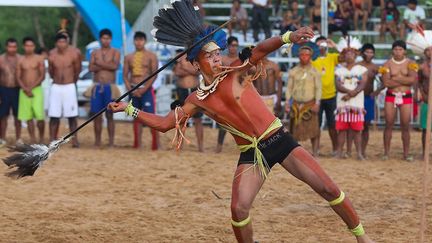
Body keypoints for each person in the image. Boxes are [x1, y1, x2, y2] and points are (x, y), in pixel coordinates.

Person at [111, 3, 373, 241]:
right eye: (209, 56)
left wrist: (287, 38)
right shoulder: (196, 98)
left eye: (217, 54)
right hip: (252, 153)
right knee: (238, 208)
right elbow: (166, 123)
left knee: (328, 188)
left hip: (279, 140)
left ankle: (362, 237)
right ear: (195, 64)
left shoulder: (236, 72)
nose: (216, 58)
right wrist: (129, 108)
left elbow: (259, 49)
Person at [381, 40, 417, 161]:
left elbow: (412, 80)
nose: (398, 52)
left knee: (405, 125)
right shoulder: (386, 64)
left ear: (405, 51)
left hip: (405, 95)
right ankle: (386, 153)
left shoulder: (411, 63)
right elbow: (386, 83)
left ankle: (406, 154)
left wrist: (395, 80)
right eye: (396, 49)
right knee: (388, 124)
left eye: (400, 49)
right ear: (392, 50)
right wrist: (403, 79)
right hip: (391, 95)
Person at [123, 31, 159, 150]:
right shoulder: (128, 57)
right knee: (135, 116)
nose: (139, 42)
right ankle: (137, 143)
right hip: (133, 89)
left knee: (150, 116)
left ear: (145, 41)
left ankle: (155, 144)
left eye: (141, 40)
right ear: (134, 41)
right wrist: (130, 90)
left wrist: (143, 90)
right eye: (136, 40)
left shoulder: (151, 56)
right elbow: (125, 75)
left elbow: (154, 75)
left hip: (146, 90)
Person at [334, 37, 367, 160]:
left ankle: (358, 153)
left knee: (357, 130)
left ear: (356, 55)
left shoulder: (362, 69)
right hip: (342, 105)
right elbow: (337, 85)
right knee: (341, 130)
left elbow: (363, 84)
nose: (349, 55)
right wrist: (349, 92)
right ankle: (339, 153)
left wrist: (351, 94)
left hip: (357, 105)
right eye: (347, 53)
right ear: (343, 55)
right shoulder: (339, 70)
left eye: (352, 53)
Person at [285, 45, 321, 156]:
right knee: (294, 129)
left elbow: (318, 88)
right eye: (302, 55)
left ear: (310, 56)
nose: (304, 57)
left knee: (314, 129)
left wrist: (317, 102)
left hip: (310, 103)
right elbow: (289, 88)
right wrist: (287, 102)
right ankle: (295, 152)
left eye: (307, 55)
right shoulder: (293, 71)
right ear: (298, 56)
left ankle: (315, 152)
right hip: (296, 104)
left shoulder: (315, 71)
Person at [48, 33, 81, 147]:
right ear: (56, 43)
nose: (61, 44)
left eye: (64, 42)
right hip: (56, 86)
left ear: (67, 42)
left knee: (72, 116)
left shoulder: (74, 53)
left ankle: (75, 140)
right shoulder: (52, 54)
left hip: (69, 86)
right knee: (54, 115)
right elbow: (51, 71)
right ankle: (52, 140)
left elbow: (77, 70)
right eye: (59, 42)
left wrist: (71, 82)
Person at [89, 29, 121, 147]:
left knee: (110, 114)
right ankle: (97, 141)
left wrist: (99, 64)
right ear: (100, 39)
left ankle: (111, 142)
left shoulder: (115, 52)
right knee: (96, 115)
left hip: (110, 87)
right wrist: (106, 65)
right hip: (97, 86)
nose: (105, 40)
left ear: (111, 39)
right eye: (103, 38)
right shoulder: (94, 52)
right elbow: (91, 68)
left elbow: (115, 66)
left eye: (107, 38)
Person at [312, 36, 339, 156]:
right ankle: (315, 150)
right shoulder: (312, 59)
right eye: (319, 45)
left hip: (331, 96)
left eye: (324, 45)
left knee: (332, 125)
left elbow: (345, 55)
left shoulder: (332, 57)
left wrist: (335, 45)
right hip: (315, 97)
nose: (321, 47)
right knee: (316, 125)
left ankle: (336, 149)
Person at [173, 49, 204, 152]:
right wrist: (187, 68)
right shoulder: (179, 58)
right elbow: (177, 72)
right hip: (182, 90)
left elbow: (197, 71)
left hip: (195, 90)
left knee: (198, 119)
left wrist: (184, 67)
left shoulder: (194, 57)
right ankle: (180, 145)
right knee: (181, 119)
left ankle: (200, 147)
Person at [16, 37, 45, 144]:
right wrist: (25, 89)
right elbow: (18, 76)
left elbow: (42, 76)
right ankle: (33, 139)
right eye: (27, 45)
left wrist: (31, 88)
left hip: (36, 90)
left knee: (39, 116)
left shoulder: (39, 58)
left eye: (31, 45)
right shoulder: (20, 60)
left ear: (34, 47)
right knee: (28, 117)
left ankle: (41, 138)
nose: (29, 48)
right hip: (23, 91)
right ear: (24, 47)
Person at [357, 44, 383, 158]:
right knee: (356, 125)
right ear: (362, 53)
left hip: (368, 98)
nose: (369, 54)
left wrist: (376, 92)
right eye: (367, 52)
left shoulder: (375, 67)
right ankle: (355, 150)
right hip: (357, 98)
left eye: (371, 52)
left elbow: (384, 82)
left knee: (366, 125)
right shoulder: (357, 66)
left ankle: (363, 151)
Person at [216, 36, 240, 153]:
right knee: (224, 121)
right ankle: (219, 146)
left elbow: (250, 72)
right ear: (228, 46)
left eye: (236, 45)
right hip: (225, 92)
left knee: (243, 119)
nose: (233, 48)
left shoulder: (242, 59)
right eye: (232, 45)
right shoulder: (223, 59)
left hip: (239, 93)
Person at [0, 38, 22, 146]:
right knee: (3, 115)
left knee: (18, 115)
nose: (12, 49)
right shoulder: (1, 59)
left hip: (17, 90)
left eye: (14, 47)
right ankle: (2, 138)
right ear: (6, 47)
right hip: (3, 89)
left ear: (17, 47)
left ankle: (18, 139)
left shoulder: (21, 59)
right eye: (10, 46)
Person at [418, 46, 431, 158]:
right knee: (425, 129)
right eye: (428, 50)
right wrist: (423, 94)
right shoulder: (422, 67)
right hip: (427, 100)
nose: (430, 52)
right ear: (425, 52)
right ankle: (424, 152)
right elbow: (419, 82)